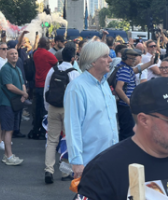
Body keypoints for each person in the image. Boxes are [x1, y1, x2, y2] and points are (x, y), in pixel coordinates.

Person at [64, 41, 118, 178]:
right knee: (90, 199)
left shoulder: (104, 84)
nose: (110, 59)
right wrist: (76, 161)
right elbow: (73, 126)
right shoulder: (77, 87)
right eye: (105, 56)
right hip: (89, 162)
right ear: (93, 61)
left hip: (109, 160)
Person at [44, 43, 80, 183]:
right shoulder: (74, 73)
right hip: (68, 109)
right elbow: (77, 95)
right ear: (73, 58)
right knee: (68, 140)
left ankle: (49, 169)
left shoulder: (52, 70)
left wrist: (47, 108)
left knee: (52, 140)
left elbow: (46, 90)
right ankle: (65, 171)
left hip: (53, 107)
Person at [111, 49, 157, 140]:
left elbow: (136, 70)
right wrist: (129, 102)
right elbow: (119, 88)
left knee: (127, 130)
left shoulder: (124, 67)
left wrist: (150, 63)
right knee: (127, 132)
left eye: (134, 59)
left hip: (124, 105)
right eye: (131, 59)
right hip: (125, 106)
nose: (134, 61)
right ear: (124, 58)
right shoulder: (124, 70)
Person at [0, 44, 28, 165]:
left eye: (16, 53)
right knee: (8, 130)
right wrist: (23, 93)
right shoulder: (6, 68)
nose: (14, 55)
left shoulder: (17, 68)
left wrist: (24, 94)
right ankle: (9, 156)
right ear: (6, 55)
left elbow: (22, 83)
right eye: (11, 53)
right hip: (7, 103)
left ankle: (7, 155)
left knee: (9, 129)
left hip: (14, 103)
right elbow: (9, 86)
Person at [31, 37, 58, 139]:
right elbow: (56, 62)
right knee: (44, 110)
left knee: (37, 109)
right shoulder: (47, 54)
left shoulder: (36, 53)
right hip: (45, 85)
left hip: (37, 84)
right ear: (46, 44)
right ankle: (42, 130)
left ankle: (35, 129)